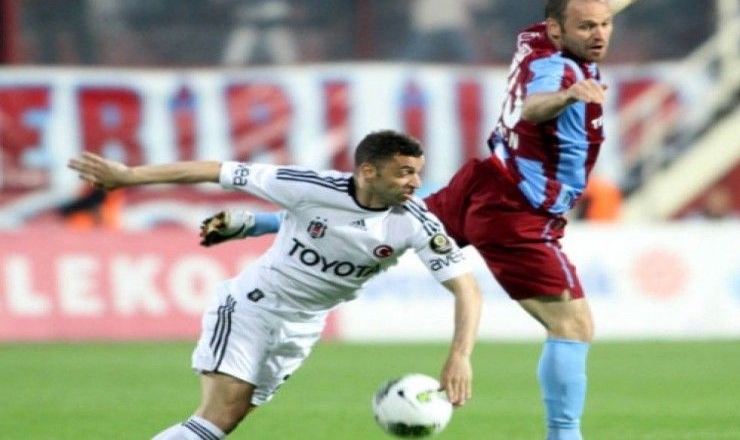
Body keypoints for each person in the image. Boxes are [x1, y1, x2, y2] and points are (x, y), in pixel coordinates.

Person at [217, 0, 697, 439]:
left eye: (604, 24)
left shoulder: (541, 38)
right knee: (572, 326)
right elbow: (534, 106)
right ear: (557, 30)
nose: (600, 33)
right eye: (588, 26)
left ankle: (261, 222)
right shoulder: (555, 68)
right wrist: (570, 96)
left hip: (484, 181)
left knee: (388, 218)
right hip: (517, 210)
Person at [67, 130, 482, 439]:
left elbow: (467, 289)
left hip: (302, 328)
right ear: (368, 171)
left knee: (224, 422)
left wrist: (460, 357)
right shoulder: (310, 186)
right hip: (252, 306)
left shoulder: (416, 223)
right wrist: (129, 176)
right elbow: (218, 170)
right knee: (216, 416)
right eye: (405, 172)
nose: (415, 183)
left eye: (417, 173)